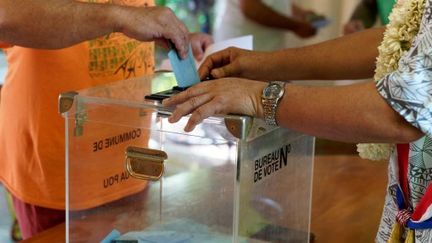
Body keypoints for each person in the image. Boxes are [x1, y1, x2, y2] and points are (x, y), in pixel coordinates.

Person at [164, 0, 432, 241]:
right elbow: (402, 43)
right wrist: (260, 64)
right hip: (409, 197)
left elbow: (401, 112)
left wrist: (259, 97)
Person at [0, 0, 212, 239]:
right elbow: (5, 17)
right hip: (58, 171)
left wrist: (176, 39)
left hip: (130, 162)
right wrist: (119, 17)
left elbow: (128, 27)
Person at [213, 0, 317, 51]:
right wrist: (296, 26)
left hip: (259, 50)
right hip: (246, 49)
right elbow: (252, 8)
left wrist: (300, 13)